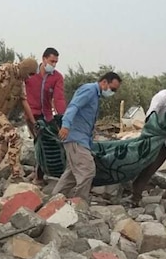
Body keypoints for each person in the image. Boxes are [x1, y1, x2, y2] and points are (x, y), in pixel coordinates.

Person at [52, 72, 122, 201]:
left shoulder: (95, 96)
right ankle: (79, 203)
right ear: (104, 82)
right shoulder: (89, 90)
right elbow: (74, 106)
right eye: (112, 89)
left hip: (81, 139)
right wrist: (66, 125)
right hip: (76, 138)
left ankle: (53, 199)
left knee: (72, 174)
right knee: (87, 170)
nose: (112, 92)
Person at [25, 47, 66, 184]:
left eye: (55, 62)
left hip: (47, 115)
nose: (53, 65)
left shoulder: (57, 77)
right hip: (31, 114)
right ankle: (38, 176)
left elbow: (59, 98)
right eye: (51, 61)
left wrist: (62, 117)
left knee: (47, 141)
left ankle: (38, 171)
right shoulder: (30, 74)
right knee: (39, 141)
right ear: (43, 59)